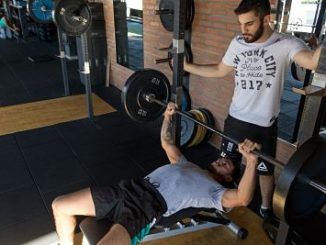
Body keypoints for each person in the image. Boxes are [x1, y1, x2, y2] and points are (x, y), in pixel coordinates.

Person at [183, 0, 321, 219]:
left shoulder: (287, 44)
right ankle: (222, 199)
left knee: (265, 170)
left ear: (266, 19)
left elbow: (313, 62)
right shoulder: (238, 42)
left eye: (249, 24)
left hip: (264, 125)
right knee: (225, 164)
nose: (243, 30)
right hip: (235, 120)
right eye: (240, 24)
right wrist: (186, 66)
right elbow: (220, 70)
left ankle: (267, 208)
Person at [52, 103, 261, 245]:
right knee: (60, 205)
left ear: (227, 179)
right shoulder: (186, 164)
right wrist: (168, 116)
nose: (222, 160)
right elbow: (167, 143)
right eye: (222, 159)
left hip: (144, 208)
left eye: (227, 166)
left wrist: (251, 161)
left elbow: (243, 198)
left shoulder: (215, 193)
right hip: (127, 189)